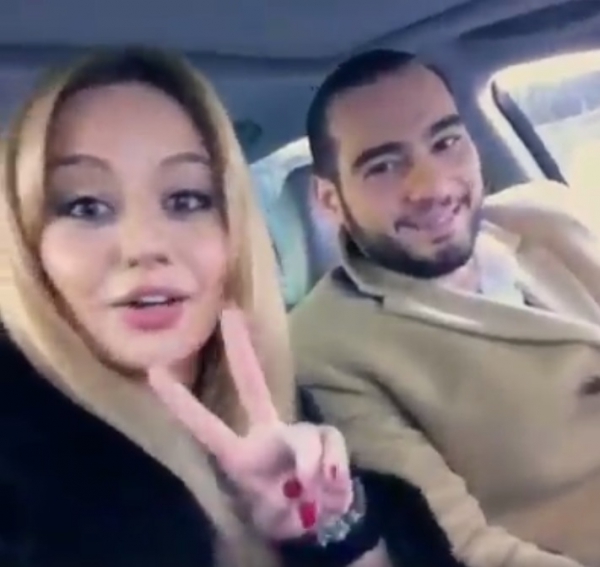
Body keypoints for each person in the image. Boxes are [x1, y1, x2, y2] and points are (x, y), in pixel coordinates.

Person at [0, 46, 465, 567]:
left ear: (233, 230)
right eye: (85, 206)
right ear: (26, 242)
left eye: (186, 200)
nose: (144, 245)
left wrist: (332, 530)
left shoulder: (287, 410)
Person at [291, 47, 600, 567]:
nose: (431, 186)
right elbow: (467, 548)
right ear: (330, 200)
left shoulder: (546, 213)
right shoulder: (323, 346)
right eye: (383, 166)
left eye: (446, 142)